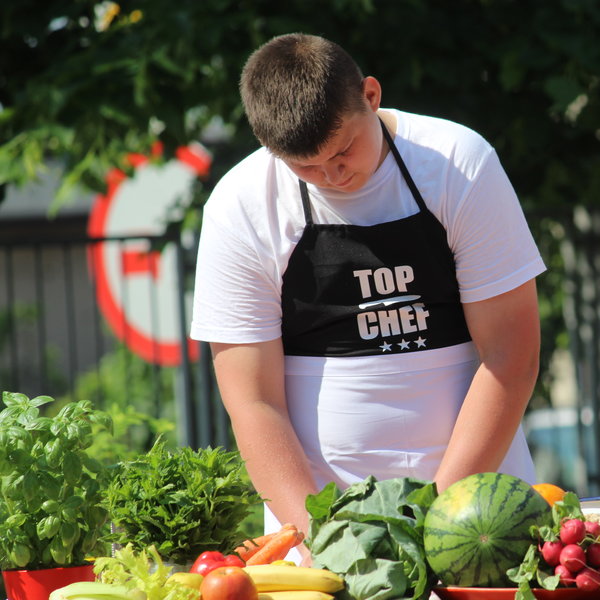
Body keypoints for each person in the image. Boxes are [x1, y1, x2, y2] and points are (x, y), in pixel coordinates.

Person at [190, 33, 544, 557]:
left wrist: (443, 524)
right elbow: (253, 400)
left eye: (343, 150)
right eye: (305, 166)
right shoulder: (240, 205)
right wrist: (322, 538)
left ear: (371, 96)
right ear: (269, 146)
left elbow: (512, 356)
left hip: (477, 510)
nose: (332, 176)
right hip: (320, 516)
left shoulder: (457, 163)